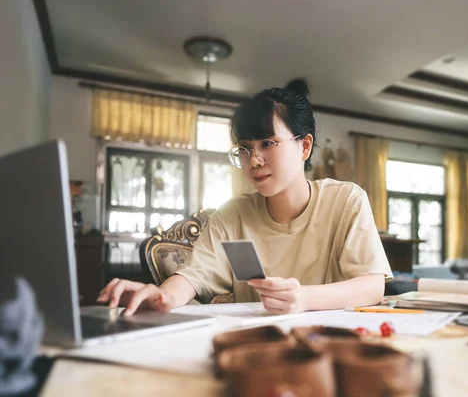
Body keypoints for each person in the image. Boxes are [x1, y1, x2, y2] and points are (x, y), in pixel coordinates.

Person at [97, 78, 392, 316]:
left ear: (304, 147)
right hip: (254, 348)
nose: (254, 161)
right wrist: (164, 295)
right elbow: (194, 275)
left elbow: (371, 286)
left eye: (267, 143)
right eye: (245, 148)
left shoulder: (346, 201)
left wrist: (302, 298)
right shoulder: (232, 214)